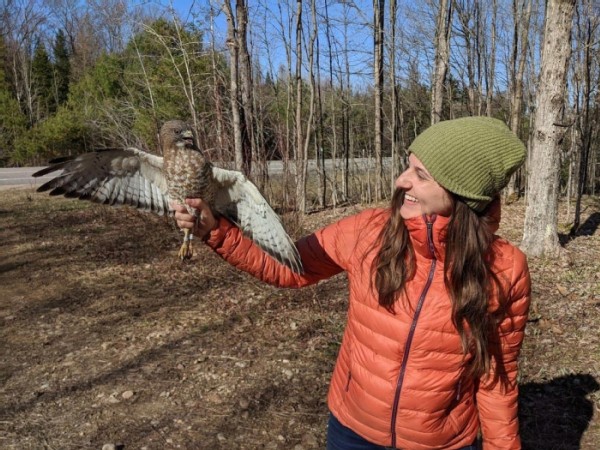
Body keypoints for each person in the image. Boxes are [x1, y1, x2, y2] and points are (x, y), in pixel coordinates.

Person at [173, 117, 531, 450]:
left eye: (420, 175)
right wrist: (216, 232)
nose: (402, 180)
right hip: (353, 432)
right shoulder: (369, 232)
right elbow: (289, 268)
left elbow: (496, 378)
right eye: (408, 166)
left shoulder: (505, 269)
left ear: (462, 194)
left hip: (442, 442)